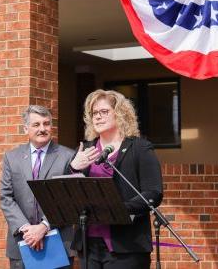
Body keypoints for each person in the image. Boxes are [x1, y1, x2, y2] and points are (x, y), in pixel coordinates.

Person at [68, 89, 163, 269]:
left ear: (119, 114)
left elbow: (153, 192)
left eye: (104, 112)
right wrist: (73, 167)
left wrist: (118, 209)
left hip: (127, 245)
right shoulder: (85, 149)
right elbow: (69, 191)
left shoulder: (139, 148)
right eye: (94, 113)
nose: (97, 117)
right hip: (89, 245)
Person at [0, 105, 75, 269]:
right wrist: (27, 230)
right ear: (25, 128)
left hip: (58, 243)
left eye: (46, 123)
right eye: (36, 124)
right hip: (22, 242)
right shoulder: (11, 158)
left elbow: (70, 198)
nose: (42, 129)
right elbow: (6, 198)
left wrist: (44, 227)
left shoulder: (68, 157)